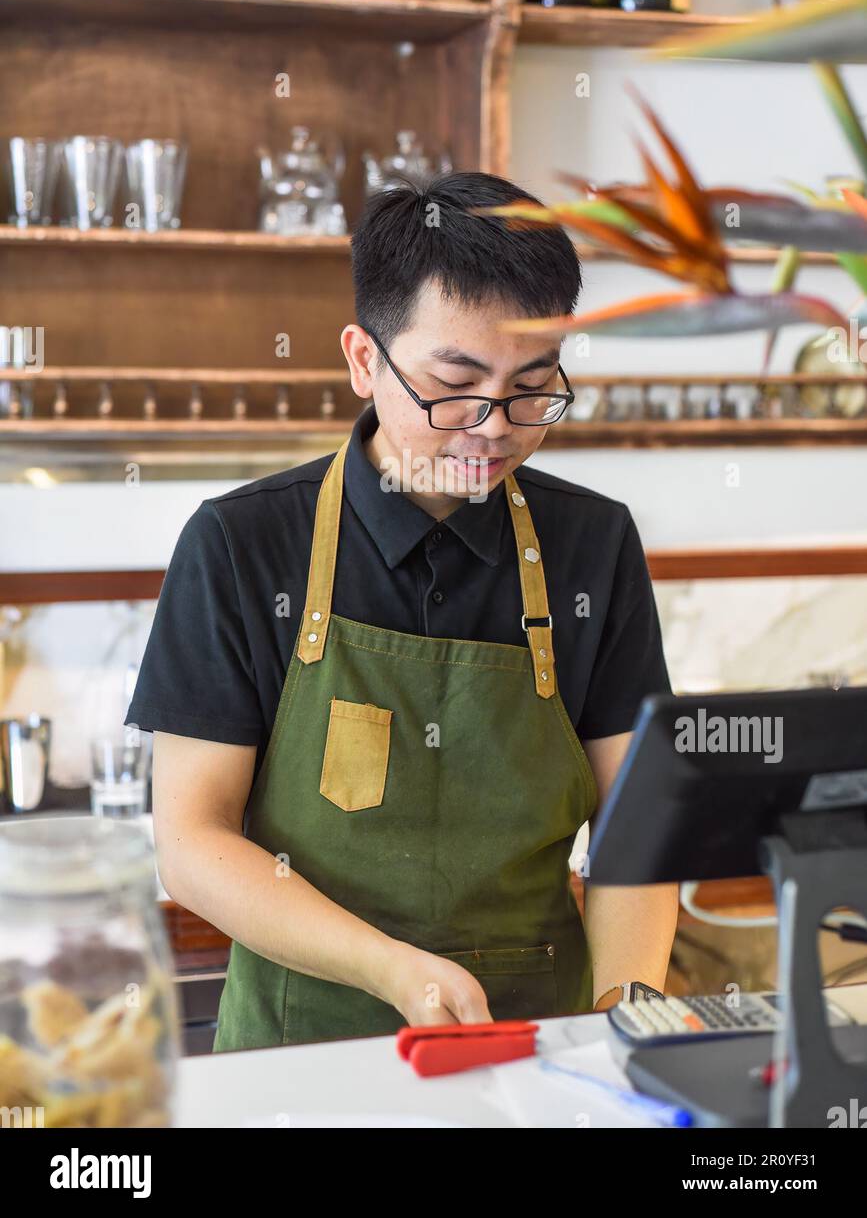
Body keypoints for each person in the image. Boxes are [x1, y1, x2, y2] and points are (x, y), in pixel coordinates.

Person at [126, 171, 679, 1051]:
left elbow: (639, 825)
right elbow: (191, 842)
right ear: (362, 359)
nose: (493, 426)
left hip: (538, 1046)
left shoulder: (592, 545)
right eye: (453, 385)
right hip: (301, 1052)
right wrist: (392, 967)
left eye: (532, 388)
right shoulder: (241, 543)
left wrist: (621, 1017)